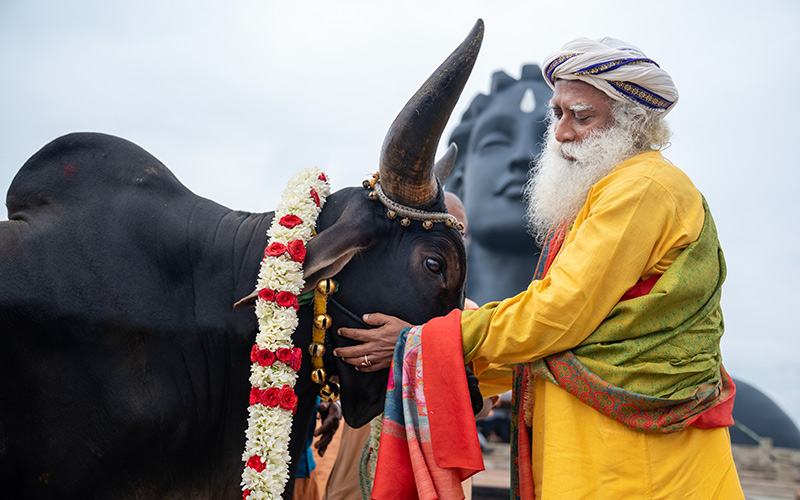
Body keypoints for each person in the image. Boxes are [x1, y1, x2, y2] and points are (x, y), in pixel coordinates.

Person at [336, 36, 745, 499]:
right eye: (558, 114)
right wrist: (442, 365)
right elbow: (560, 347)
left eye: (582, 115)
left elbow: (556, 316)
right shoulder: (600, 197)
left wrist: (420, 341)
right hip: (596, 458)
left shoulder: (643, 188)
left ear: (632, 122)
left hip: (638, 471)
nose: (562, 132)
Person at [445, 65, 551, 306]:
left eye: (549, 142)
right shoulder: (402, 317)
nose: (524, 156)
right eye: (495, 142)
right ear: (458, 184)